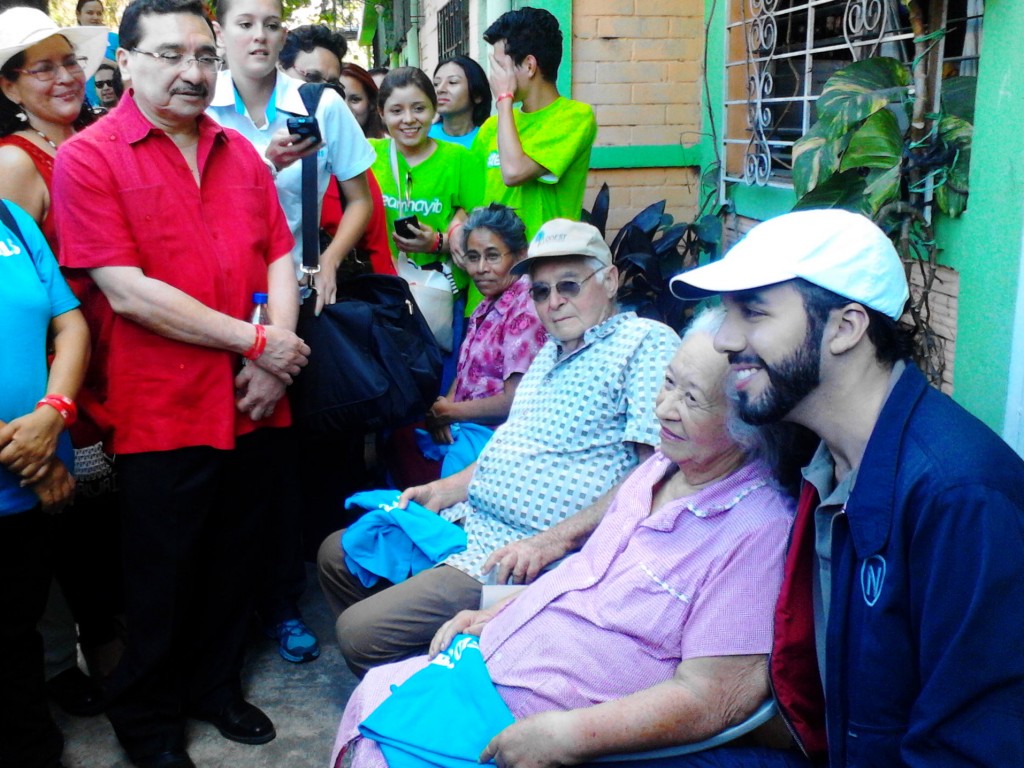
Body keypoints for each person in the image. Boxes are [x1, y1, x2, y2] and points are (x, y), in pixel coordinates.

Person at [329, 308, 812, 768]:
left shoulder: (757, 529)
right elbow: (585, 574)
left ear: (749, 420)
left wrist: (568, 736)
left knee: (379, 738)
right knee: (376, 694)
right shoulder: (663, 468)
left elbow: (715, 697)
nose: (663, 408)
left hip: (543, 723)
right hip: (493, 671)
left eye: (692, 400)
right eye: (668, 383)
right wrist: (499, 613)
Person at [52, 0, 311, 765]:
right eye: (169, 54)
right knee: (161, 575)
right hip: (161, 405)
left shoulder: (240, 154)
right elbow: (127, 292)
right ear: (125, 62)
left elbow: (277, 253)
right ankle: (148, 720)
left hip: (254, 399)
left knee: (238, 559)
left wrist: (272, 361)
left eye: (202, 55)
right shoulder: (90, 157)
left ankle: (215, 687)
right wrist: (259, 342)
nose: (191, 71)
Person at [670, 208, 1024, 767]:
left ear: (846, 328)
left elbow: (971, 745)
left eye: (753, 311)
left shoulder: (960, 498)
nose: (725, 339)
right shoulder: (819, 457)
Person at [318, 218, 679, 677]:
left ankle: (453, 678)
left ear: (609, 281)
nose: (554, 301)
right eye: (541, 291)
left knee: (358, 633)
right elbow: (511, 447)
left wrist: (553, 541)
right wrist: (444, 489)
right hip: (470, 522)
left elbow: (655, 474)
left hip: (523, 557)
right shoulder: (552, 351)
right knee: (336, 554)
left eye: (569, 285)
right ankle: (439, 669)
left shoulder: (644, 342)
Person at [0, 5, 120, 720]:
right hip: (57, 381)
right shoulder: (15, 163)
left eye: (69, 61)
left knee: (94, 535)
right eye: (42, 68)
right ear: (10, 86)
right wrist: (48, 410)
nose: (65, 77)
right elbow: (20, 301)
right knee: (59, 535)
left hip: (109, 359)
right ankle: (57, 669)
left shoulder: (91, 140)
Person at [208, 0, 375, 317]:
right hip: (216, 293)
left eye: (271, 25)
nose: (260, 35)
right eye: (245, 24)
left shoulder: (322, 104)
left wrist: (329, 260)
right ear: (219, 33)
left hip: (296, 293)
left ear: (283, 37)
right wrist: (267, 165)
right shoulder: (200, 106)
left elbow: (360, 201)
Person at [0, 199, 90, 768]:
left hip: (27, 489)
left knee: (16, 633)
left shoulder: (10, 218)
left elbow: (70, 323)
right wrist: (32, 456)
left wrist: (54, 411)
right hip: (30, 469)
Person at [386, 203, 548, 488]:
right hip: (465, 425)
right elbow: (465, 372)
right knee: (399, 440)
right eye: (473, 257)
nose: (481, 268)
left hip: (497, 440)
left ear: (521, 256)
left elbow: (514, 402)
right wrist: (446, 407)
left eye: (493, 256)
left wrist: (449, 413)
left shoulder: (525, 309)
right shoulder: (488, 303)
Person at [472, 7, 596, 243]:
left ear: (529, 65)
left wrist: (504, 98)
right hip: (492, 262)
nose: (494, 77)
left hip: (546, 261)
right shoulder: (491, 127)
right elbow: (471, 199)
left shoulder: (575, 117)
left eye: (500, 67)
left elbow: (514, 172)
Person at [277, 30, 393, 277]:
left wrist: (328, 261)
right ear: (280, 68)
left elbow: (365, 211)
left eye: (333, 84)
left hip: (304, 282)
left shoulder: (344, 155)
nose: (323, 93)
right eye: (312, 78)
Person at [429, 55, 490, 149]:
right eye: (436, 84)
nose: (440, 89)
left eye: (452, 82)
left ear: (477, 95)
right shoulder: (423, 137)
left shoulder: (490, 140)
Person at [76, 0, 120, 108]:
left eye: (99, 13)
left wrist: (106, 62)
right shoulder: (70, 43)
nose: (95, 17)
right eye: (90, 13)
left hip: (114, 106)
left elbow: (130, 71)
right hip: (83, 107)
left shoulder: (114, 39)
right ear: (78, 14)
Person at [338, 62, 385, 139]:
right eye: (339, 99)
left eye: (355, 99)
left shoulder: (390, 144)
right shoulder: (318, 144)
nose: (346, 108)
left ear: (371, 103)